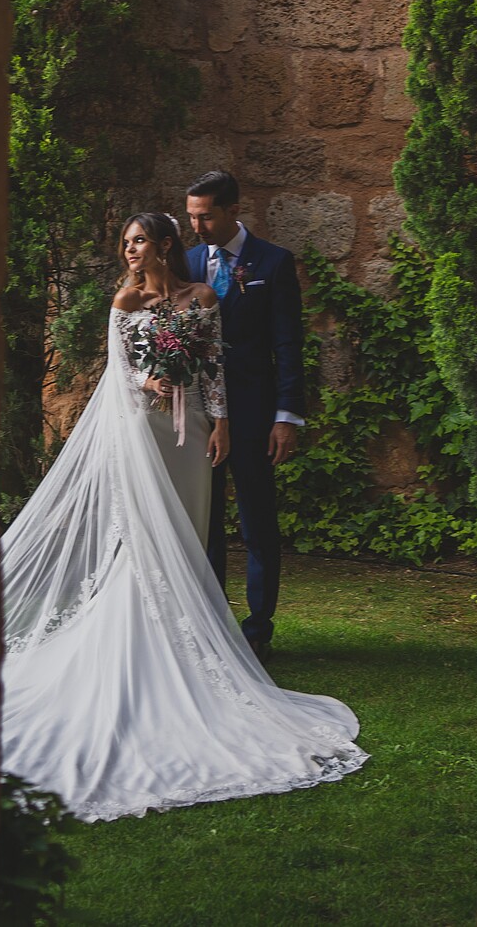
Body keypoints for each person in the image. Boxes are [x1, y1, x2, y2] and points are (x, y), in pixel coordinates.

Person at [0, 212, 365, 821]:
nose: (130, 250)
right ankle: (143, 650)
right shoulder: (124, 297)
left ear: (165, 244)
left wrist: (219, 422)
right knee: (147, 538)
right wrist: (149, 381)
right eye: (124, 243)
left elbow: (214, 367)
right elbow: (116, 374)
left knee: (191, 536)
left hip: (191, 432)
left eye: (139, 240)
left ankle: (189, 643)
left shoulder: (199, 296)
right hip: (143, 428)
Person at [183, 170, 304, 662]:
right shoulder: (186, 261)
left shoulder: (272, 264)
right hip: (197, 416)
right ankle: (212, 624)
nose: (198, 226)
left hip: (254, 413)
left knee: (257, 524)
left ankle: (258, 629)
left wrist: (287, 416)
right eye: (192, 216)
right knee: (204, 523)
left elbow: (287, 343)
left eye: (206, 216)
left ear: (234, 209)